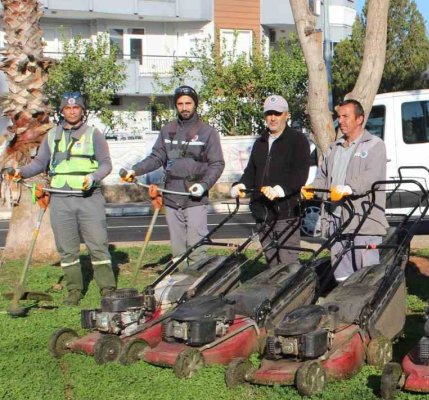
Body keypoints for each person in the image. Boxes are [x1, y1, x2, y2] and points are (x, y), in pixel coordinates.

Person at [12, 92, 115, 305]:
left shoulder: (94, 134)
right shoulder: (51, 135)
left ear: (82, 110)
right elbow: (40, 163)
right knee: (67, 249)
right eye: (68, 108)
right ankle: (74, 291)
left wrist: (93, 177)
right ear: (62, 111)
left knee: (97, 245)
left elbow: (106, 164)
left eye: (76, 107)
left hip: (88, 197)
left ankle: (107, 288)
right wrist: (20, 172)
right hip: (60, 198)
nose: (72, 111)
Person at [122, 86, 224, 264]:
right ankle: (180, 286)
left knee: (196, 248)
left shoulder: (208, 132)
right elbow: (156, 157)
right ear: (176, 105)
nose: (184, 107)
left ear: (195, 104)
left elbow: (217, 164)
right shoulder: (167, 130)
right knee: (178, 252)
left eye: (188, 103)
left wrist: (204, 185)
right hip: (171, 196)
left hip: (194, 198)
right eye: (180, 103)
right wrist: (135, 170)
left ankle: (198, 286)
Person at [305, 99, 387, 282]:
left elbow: (371, 177)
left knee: (366, 276)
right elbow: (323, 176)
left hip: (363, 221)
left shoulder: (374, 145)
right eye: (339, 116)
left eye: (345, 116)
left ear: (359, 119)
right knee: (341, 274)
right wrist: (313, 188)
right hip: (336, 220)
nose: (340, 121)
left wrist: (348, 188)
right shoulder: (333, 149)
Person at [231, 95, 310, 266]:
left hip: (285, 212)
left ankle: (294, 290)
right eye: (269, 114)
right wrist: (241, 184)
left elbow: (300, 174)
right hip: (262, 212)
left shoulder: (297, 140)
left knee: (288, 263)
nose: (273, 118)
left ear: (286, 115)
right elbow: (251, 171)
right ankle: (274, 291)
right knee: (271, 262)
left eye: (277, 113)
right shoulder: (260, 142)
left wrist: (280, 190)